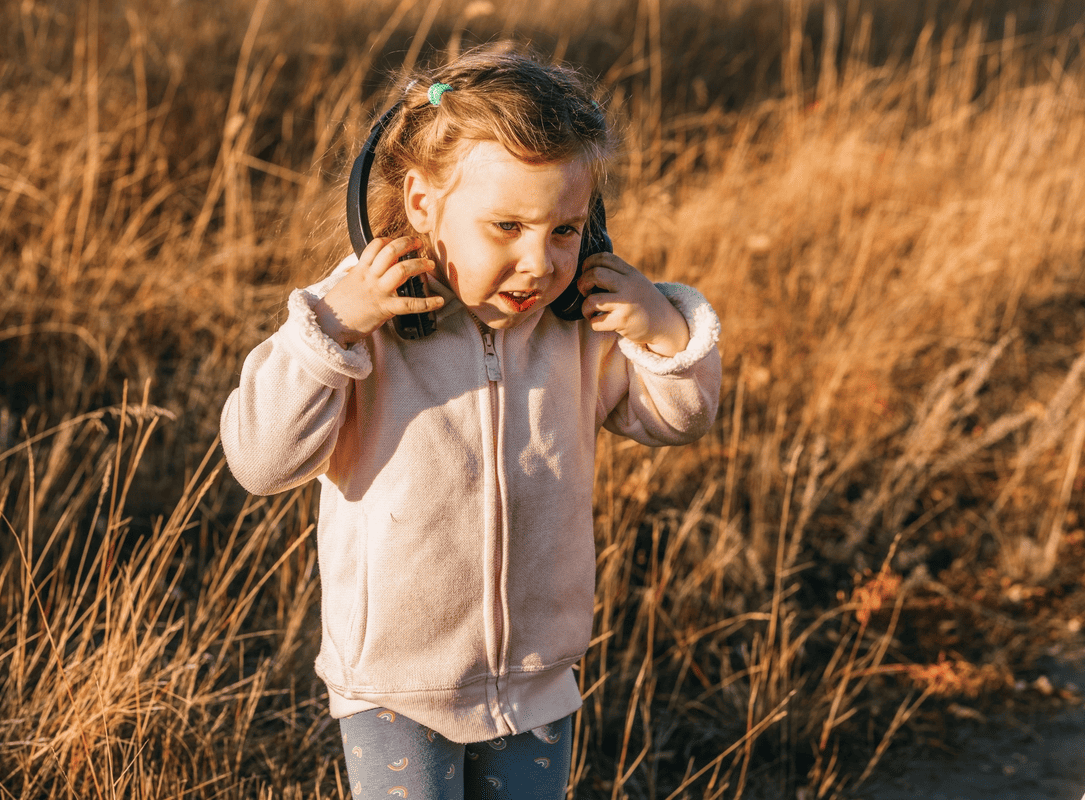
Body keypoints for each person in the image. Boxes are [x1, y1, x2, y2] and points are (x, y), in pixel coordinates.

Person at [220, 45, 723, 800]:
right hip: (396, 686)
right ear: (422, 203)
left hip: (537, 679)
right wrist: (330, 333)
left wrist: (662, 332)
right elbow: (260, 462)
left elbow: (675, 419)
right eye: (507, 226)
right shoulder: (360, 319)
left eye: (564, 229)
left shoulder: (577, 324)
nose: (539, 262)